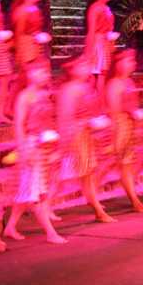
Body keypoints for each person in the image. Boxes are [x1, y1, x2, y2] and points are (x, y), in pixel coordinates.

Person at [3, 60, 67, 244]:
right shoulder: (24, 97)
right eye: (41, 71)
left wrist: (55, 143)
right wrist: (24, 150)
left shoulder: (45, 94)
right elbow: (19, 125)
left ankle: (10, 227)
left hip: (45, 146)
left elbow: (50, 120)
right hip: (31, 146)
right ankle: (50, 233)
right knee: (37, 192)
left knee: (27, 190)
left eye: (46, 72)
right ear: (30, 74)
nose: (45, 75)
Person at [57, 56, 116, 223]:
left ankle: (96, 207)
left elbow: (91, 110)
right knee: (61, 179)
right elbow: (65, 117)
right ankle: (97, 210)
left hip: (85, 135)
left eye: (87, 65)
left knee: (87, 174)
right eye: (82, 66)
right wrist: (65, 141)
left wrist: (97, 122)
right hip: (74, 136)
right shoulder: (69, 89)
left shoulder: (85, 87)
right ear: (71, 70)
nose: (86, 68)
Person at [106, 49, 143, 212]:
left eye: (133, 60)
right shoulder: (114, 84)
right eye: (128, 60)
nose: (133, 63)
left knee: (130, 162)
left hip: (130, 126)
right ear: (118, 64)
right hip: (120, 127)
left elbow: (133, 104)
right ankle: (134, 200)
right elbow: (114, 110)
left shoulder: (129, 82)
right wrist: (130, 112)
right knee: (123, 164)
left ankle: (129, 191)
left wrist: (138, 122)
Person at [6, 0, 49, 116]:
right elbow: (18, 33)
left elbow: (36, 28)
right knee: (23, 78)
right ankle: (10, 107)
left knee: (30, 78)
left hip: (35, 45)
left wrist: (40, 36)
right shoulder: (21, 10)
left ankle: (29, 107)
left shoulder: (35, 9)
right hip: (25, 45)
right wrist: (18, 53)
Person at [83, 0, 116, 96]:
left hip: (106, 42)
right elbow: (91, 30)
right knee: (96, 74)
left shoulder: (107, 8)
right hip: (97, 43)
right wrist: (89, 51)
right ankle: (95, 98)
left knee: (103, 74)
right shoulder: (94, 8)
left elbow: (109, 27)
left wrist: (111, 40)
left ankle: (100, 98)